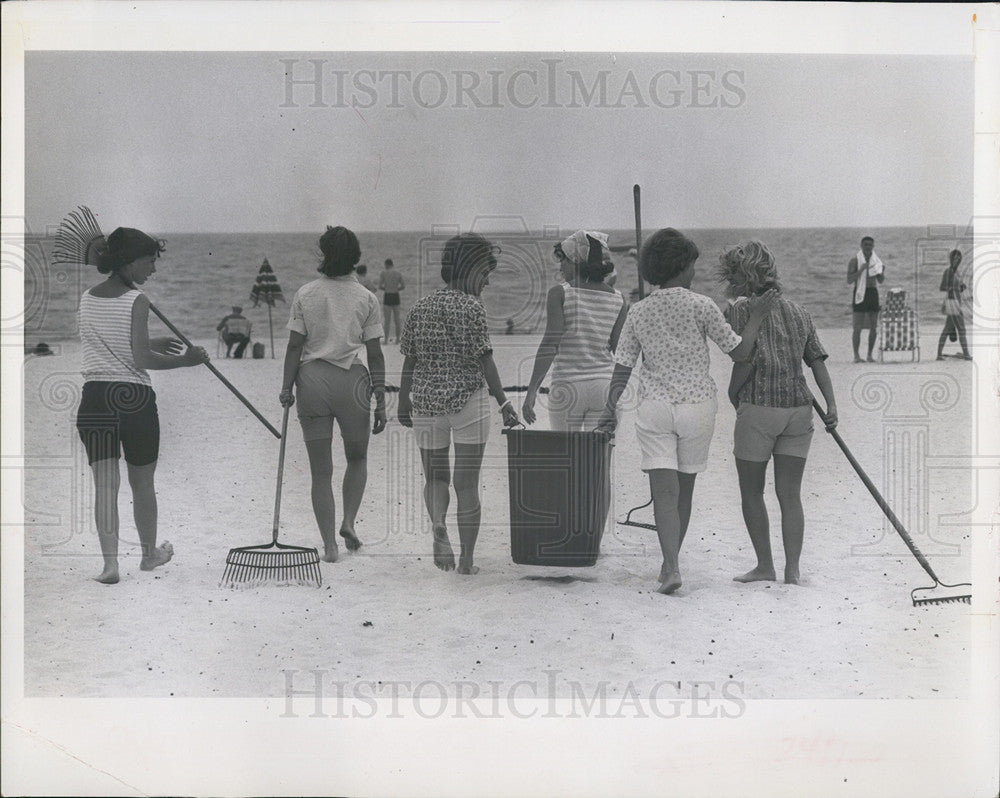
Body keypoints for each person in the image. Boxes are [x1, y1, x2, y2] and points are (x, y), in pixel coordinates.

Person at [596, 228, 775, 596]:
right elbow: (740, 353)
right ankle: (670, 562)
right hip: (697, 407)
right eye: (692, 264)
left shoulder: (639, 311)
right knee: (684, 493)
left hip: (655, 407)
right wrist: (755, 318)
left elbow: (622, 367)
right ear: (681, 267)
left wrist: (609, 409)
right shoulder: (702, 305)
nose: (695, 270)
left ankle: (671, 567)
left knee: (663, 493)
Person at [74, 227, 209, 584]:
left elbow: (111, 344)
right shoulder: (138, 299)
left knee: (105, 484)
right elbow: (139, 358)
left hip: (96, 398)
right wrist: (187, 361)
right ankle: (149, 557)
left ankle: (110, 566)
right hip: (133, 398)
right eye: (149, 261)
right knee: (142, 483)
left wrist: (151, 340)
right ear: (130, 261)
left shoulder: (87, 298)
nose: (153, 269)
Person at [397, 233, 520, 575]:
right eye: (485, 273)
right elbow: (485, 361)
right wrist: (504, 402)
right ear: (471, 269)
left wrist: (402, 402)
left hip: (425, 404)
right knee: (466, 484)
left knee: (435, 478)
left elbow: (409, 361)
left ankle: (439, 528)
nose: (488, 280)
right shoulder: (472, 307)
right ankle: (466, 561)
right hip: (468, 402)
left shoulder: (420, 306)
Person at [718, 241, 838, 586]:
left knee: (752, 492)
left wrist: (731, 392)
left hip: (759, 408)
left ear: (743, 277)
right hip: (799, 411)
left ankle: (765, 566)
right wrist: (831, 405)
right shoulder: (800, 312)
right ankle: (793, 570)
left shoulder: (740, 312)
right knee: (790, 495)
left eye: (732, 276)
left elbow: (744, 357)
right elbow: (816, 362)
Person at [280, 226, 387, 563]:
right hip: (352, 380)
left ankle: (329, 546)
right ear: (355, 257)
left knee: (320, 472)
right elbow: (375, 353)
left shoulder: (306, 293)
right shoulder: (367, 297)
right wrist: (382, 396)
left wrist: (286, 387)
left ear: (323, 254)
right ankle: (349, 521)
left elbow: (295, 345)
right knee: (357, 458)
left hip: (312, 380)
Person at [523, 230, 628, 431]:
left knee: (566, 459)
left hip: (567, 387)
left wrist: (532, 391)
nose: (561, 266)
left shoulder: (560, 293)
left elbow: (549, 345)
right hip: (604, 386)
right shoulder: (618, 298)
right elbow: (620, 350)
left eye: (564, 260)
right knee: (597, 459)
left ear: (576, 261)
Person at [847, 236, 885, 363]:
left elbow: (880, 281)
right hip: (859, 292)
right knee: (857, 327)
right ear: (861, 246)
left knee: (874, 326)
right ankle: (856, 356)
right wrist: (861, 270)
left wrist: (881, 272)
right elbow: (849, 280)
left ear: (873, 247)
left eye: (870, 245)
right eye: (866, 244)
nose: (868, 247)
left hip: (872, 292)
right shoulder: (855, 261)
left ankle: (869, 355)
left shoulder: (876, 261)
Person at [937, 249, 972, 360]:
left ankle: (939, 354)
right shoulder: (948, 272)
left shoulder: (957, 272)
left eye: (959, 258)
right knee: (961, 329)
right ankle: (966, 354)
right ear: (951, 259)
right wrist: (951, 288)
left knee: (948, 329)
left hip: (956, 302)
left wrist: (960, 288)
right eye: (954, 258)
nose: (957, 260)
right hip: (952, 302)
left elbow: (957, 289)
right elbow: (942, 287)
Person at [378, 257, 405, 343]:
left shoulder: (383, 273)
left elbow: (380, 286)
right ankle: (397, 339)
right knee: (397, 319)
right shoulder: (398, 273)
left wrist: (386, 289)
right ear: (392, 264)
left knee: (387, 320)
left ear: (386, 265)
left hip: (387, 295)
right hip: (395, 295)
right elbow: (403, 286)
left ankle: (386, 340)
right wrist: (396, 289)